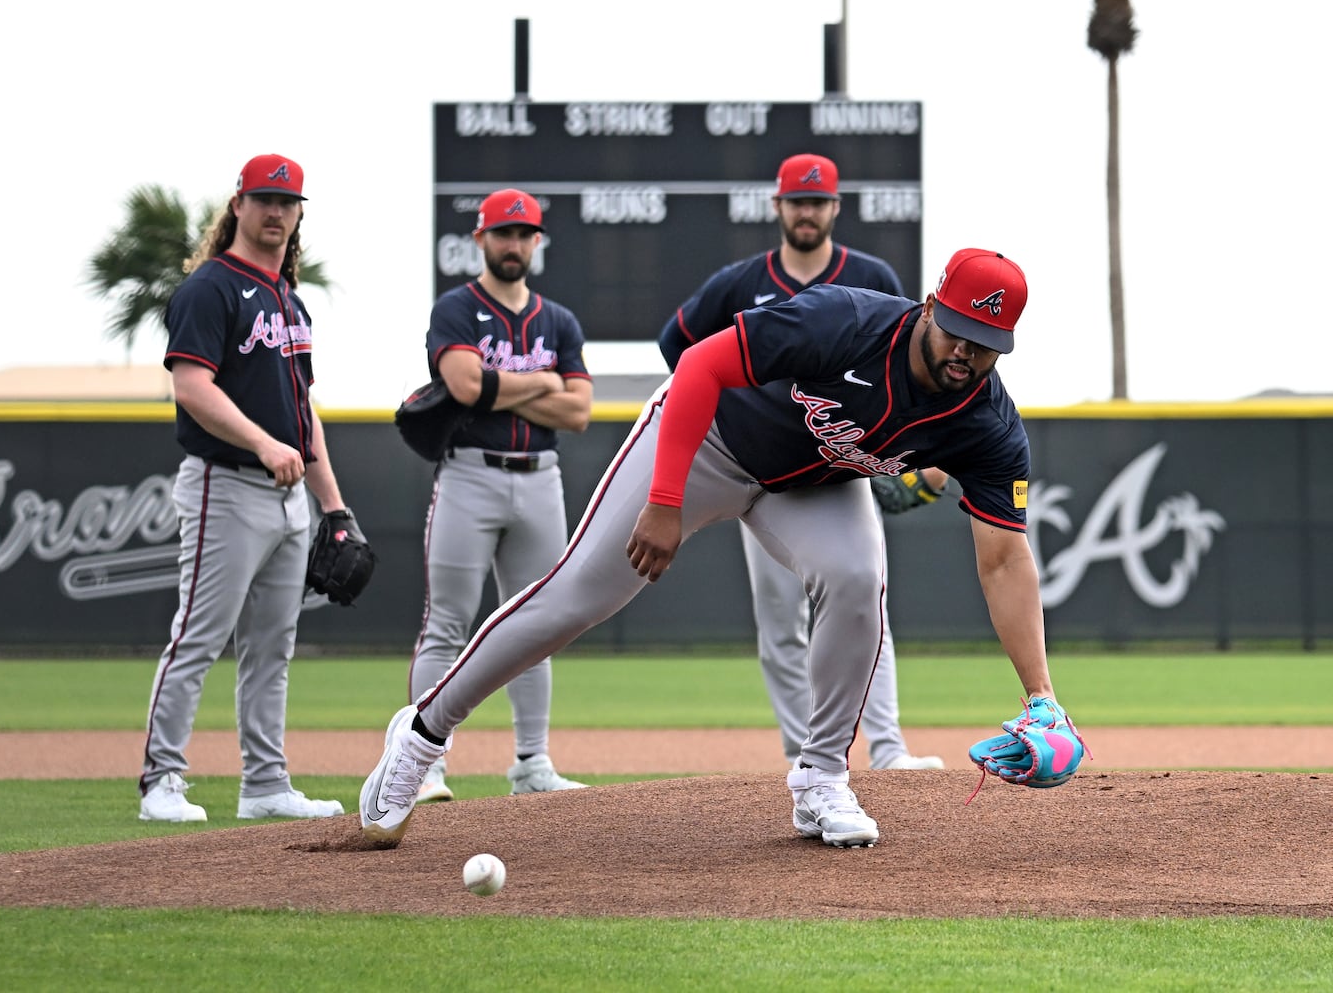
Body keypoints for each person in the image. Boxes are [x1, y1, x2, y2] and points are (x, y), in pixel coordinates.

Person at [361, 246, 1064, 850]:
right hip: (709, 442)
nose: (966, 353)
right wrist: (665, 501)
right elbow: (699, 365)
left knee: (855, 578)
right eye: (958, 331)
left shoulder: (985, 423)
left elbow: (1005, 558)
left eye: (986, 342)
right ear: (929, 307)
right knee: (578, 596)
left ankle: (820, 778)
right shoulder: (843, 319)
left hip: (810, 484)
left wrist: (1041, 697)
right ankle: (423, 734)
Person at [659, 152, 946, 772]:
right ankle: (802, 753)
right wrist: (721, 415)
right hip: (758, 467)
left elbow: (904, 366)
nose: (808, 211)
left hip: (839, 465)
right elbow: (676, 346)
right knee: (780, 620)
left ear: (835, 208)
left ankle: (889, 750)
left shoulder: (869, 273)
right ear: (779, 207)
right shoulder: (739, 282)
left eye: (818, 201)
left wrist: (909, 455)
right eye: (798, 201)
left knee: (866, 602)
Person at [138, 153, 352, 823]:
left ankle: (264, 783)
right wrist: (262, 443)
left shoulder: (291, 300)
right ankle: (160, 783)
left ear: (298, 213)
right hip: (224, 488)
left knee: (271, 647)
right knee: (197, 637)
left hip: (288, 497)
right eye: (263, 199)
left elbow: (302, 412)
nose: (274, 212)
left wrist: (334, 505)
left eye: (286, 202)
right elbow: (191, 386)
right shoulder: (211, 288)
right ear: (238, 204)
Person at [408, 187, 594, 804]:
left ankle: (532, 762)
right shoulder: (456, 308)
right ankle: (423, 765)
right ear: (481, 239)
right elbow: (462, 385)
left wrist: (503, 385)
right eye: (502, 233)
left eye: (524, 234)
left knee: (536, 623)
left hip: (541, 474)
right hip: (468, 474)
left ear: (536, 242)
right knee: (448, 624)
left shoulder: (557, 319)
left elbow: (579, 412)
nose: (513, 244)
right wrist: (543, 380)